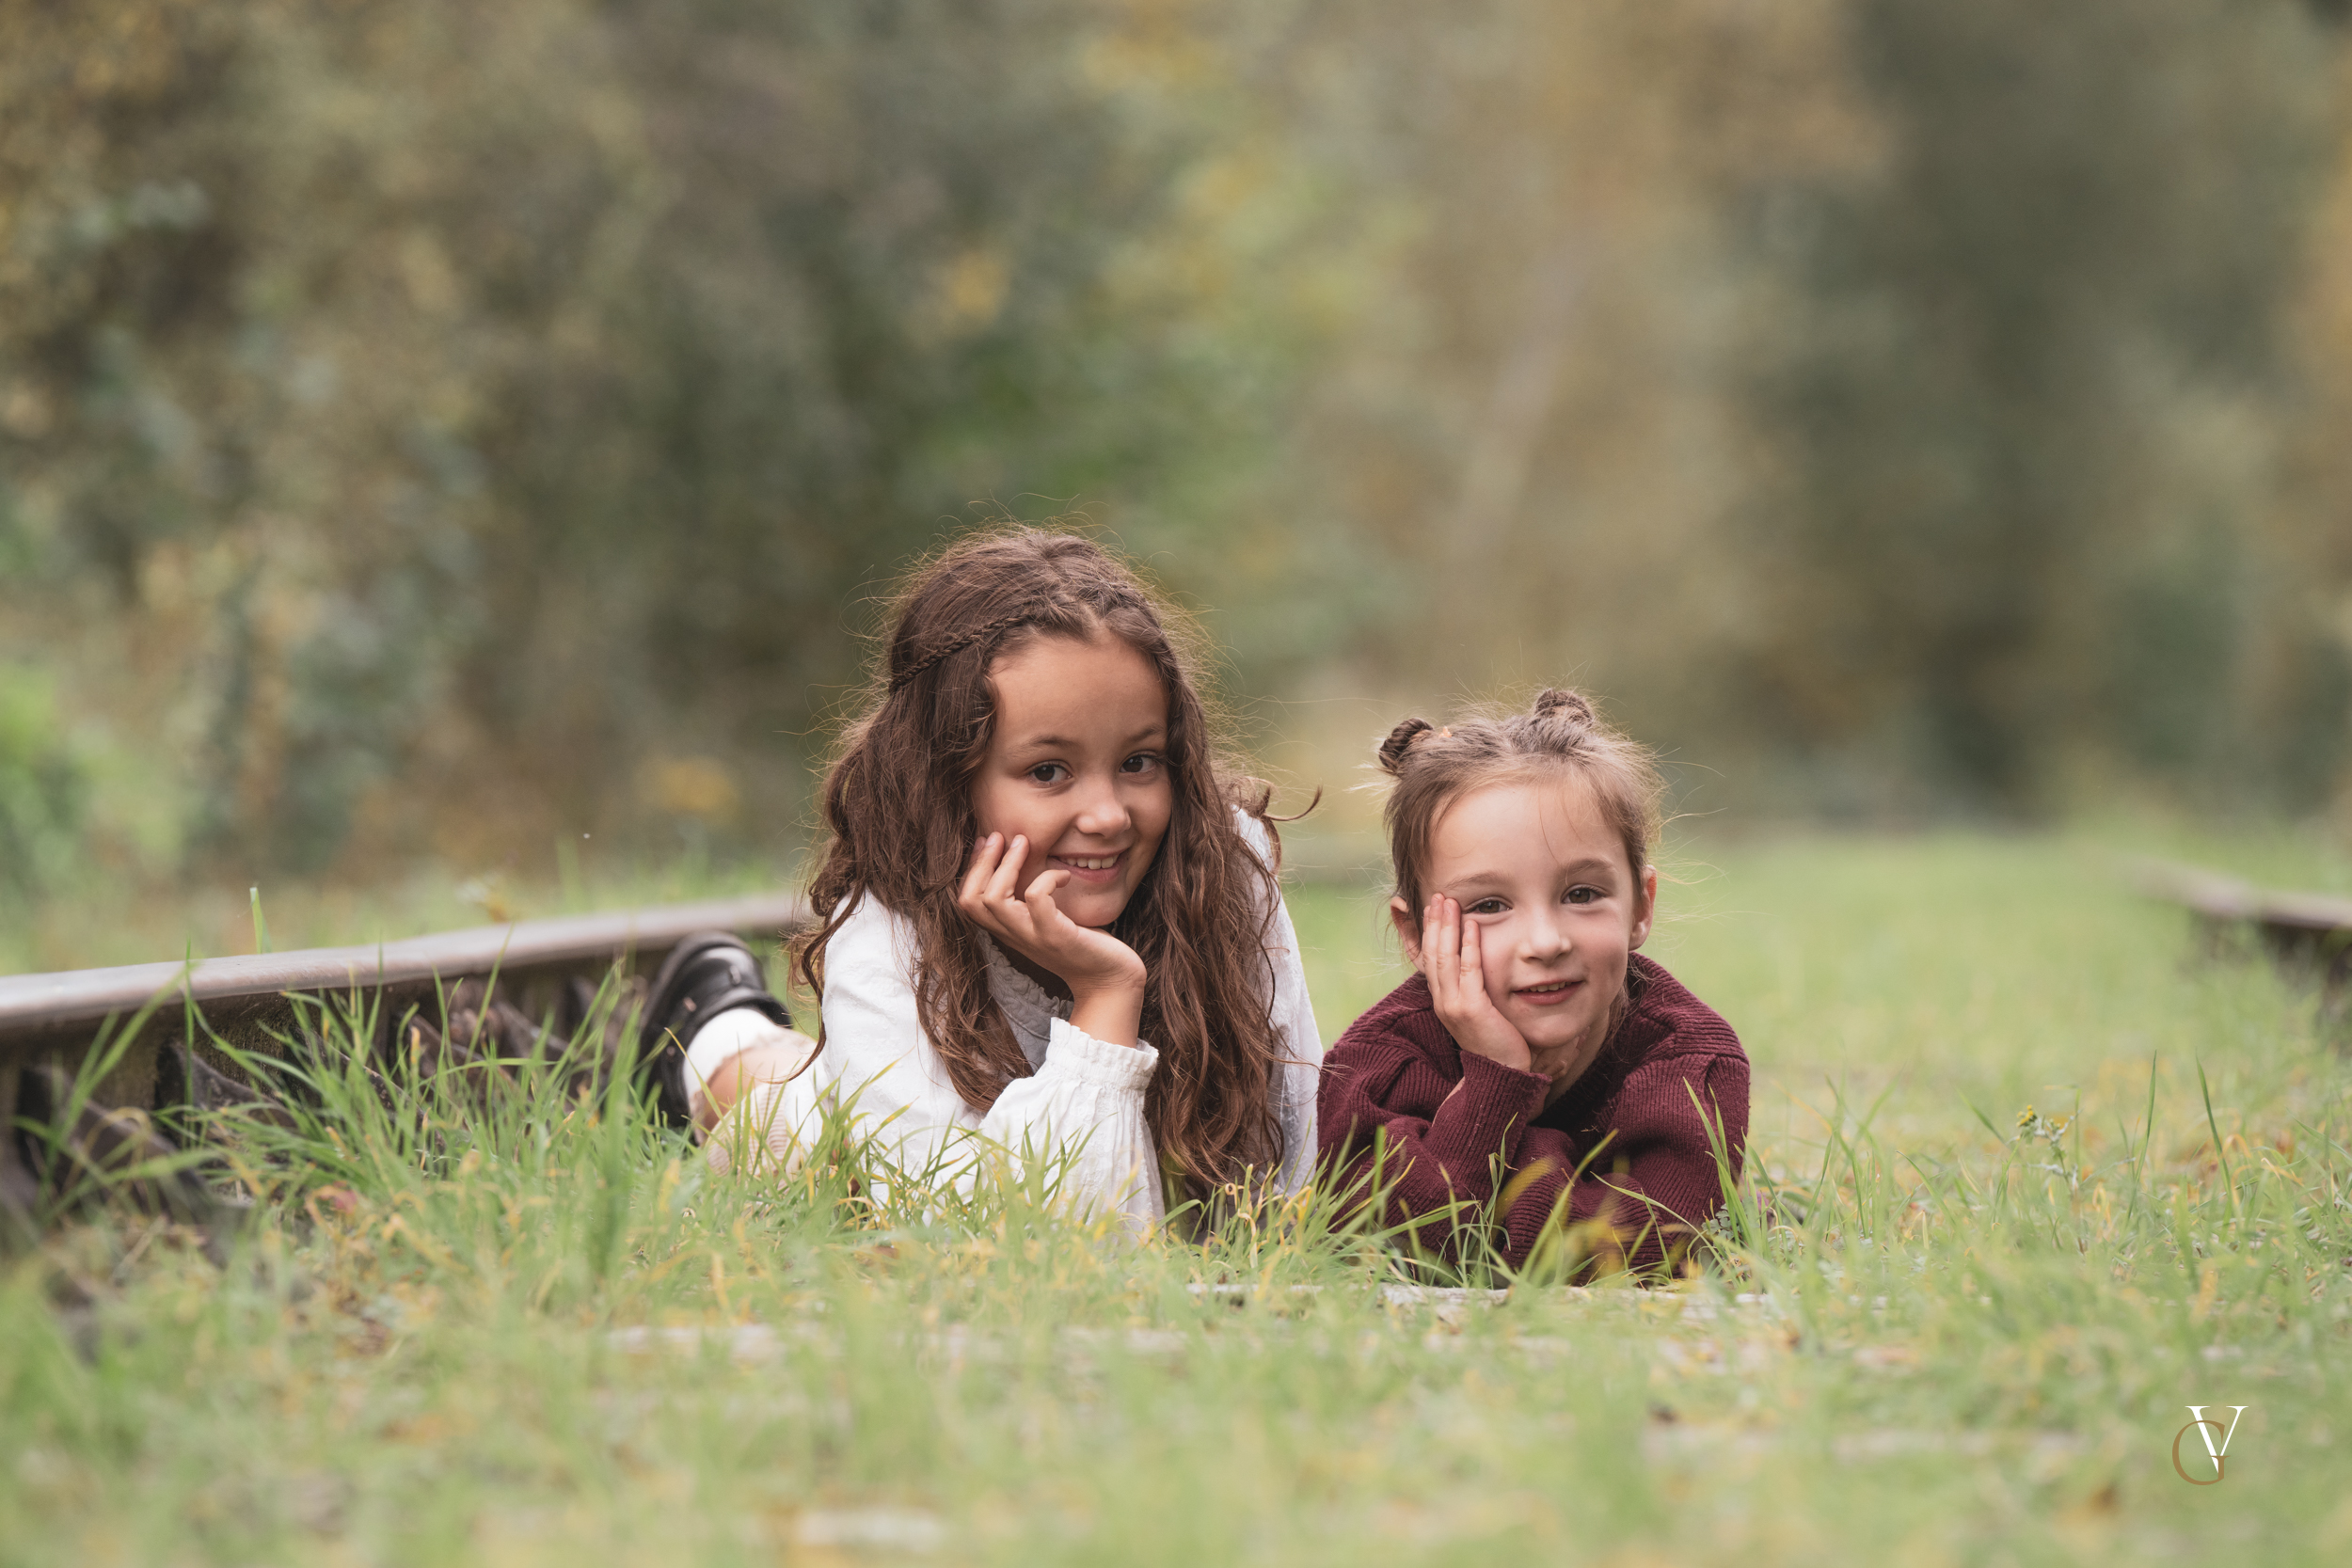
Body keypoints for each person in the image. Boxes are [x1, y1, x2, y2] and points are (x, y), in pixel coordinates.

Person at [637, 529, 1321, 1225]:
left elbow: (1290, 1160)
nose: (1109, 815)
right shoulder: (889, 936)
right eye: (1048, 771)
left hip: (956, 1134)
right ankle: (711, 1031)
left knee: (825, 1089)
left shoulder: (1222, 864)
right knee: (793, 1133)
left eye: (1139, 761)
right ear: (949, 781)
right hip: (863, 1144)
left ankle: (727, 1021)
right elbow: (1011, 1247)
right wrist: (1105, 995)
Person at [1316, 689, 1747, 1276]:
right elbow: (1389, 1247)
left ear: (1640, 907)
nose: (1545, 942)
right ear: (1415, 933)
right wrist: (1495, 1080)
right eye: (1490, 904)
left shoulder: (1689, 1062)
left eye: (1582, 894)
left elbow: (1642, 1252)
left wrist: (1496, 1169)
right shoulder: (1380, 1064)